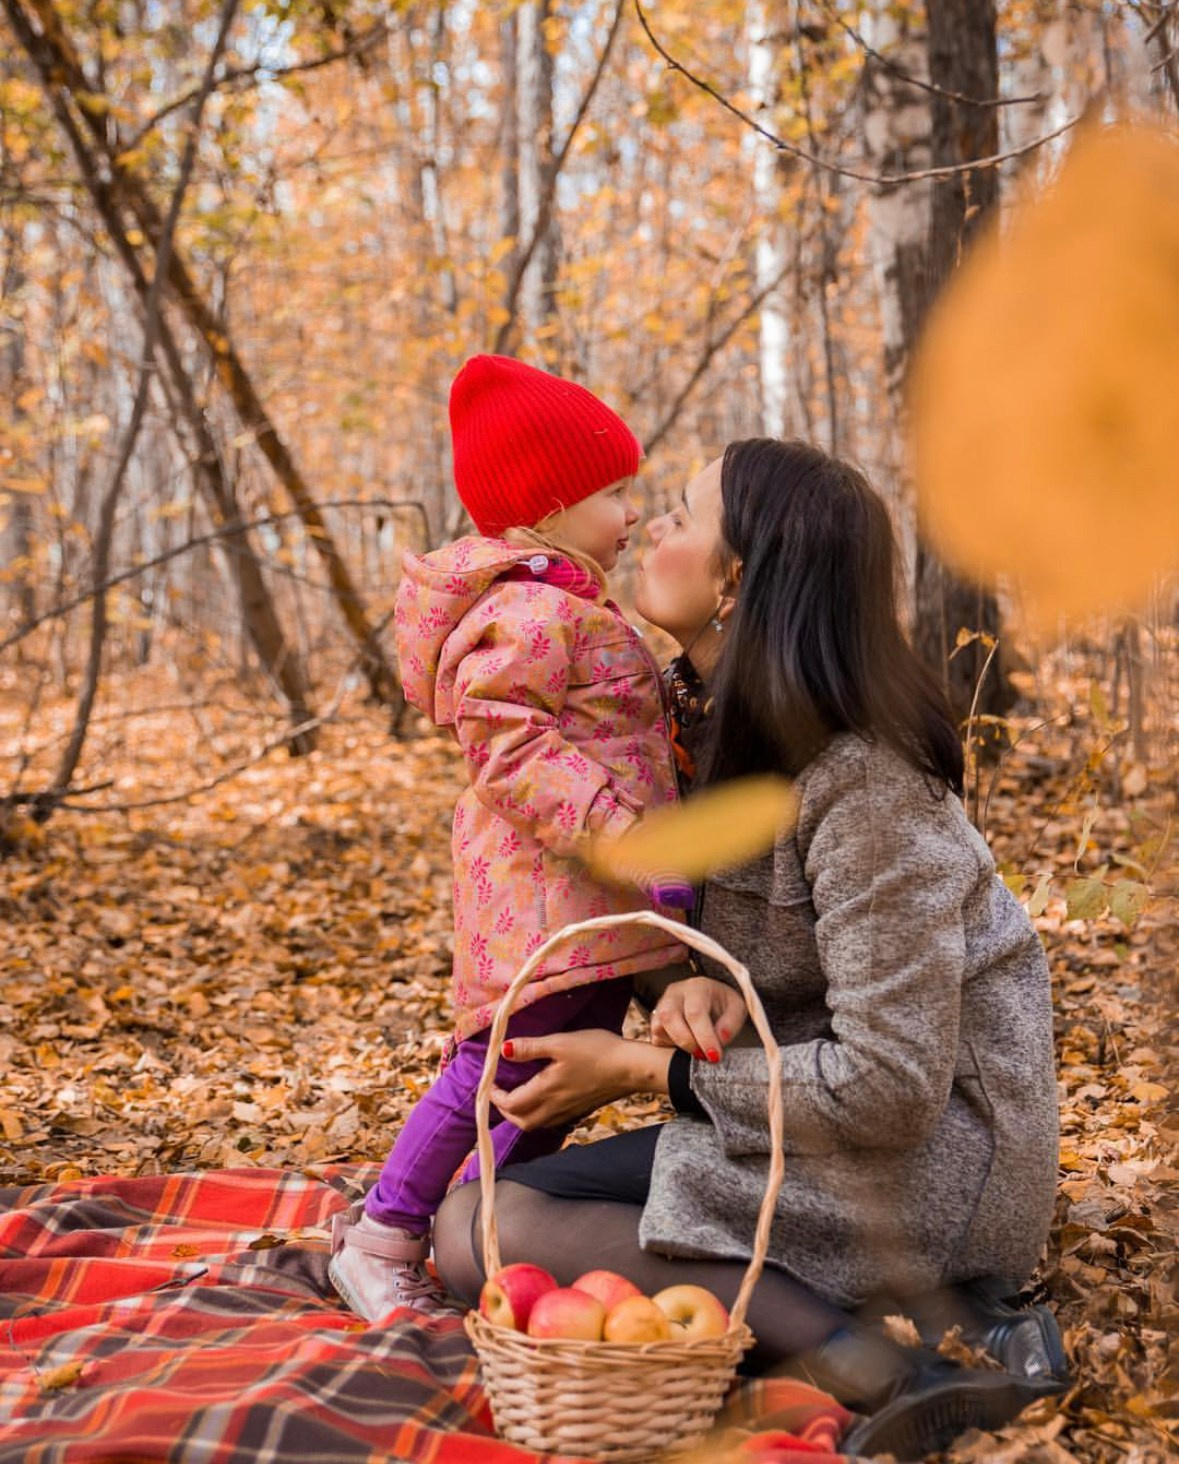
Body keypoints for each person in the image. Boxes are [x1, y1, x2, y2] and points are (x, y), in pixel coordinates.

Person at [431, 439, 1067, 1460]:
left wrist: (641, 1070)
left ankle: (907, 1366)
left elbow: (891, 1087)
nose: (649, 525)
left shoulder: (868, 784)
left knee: (496, 1233)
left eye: (681, 515)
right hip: (786, 1125)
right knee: (473, 1224)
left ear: (736, 579)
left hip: (927, 1163)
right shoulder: (682, 722)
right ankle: (923, 1323)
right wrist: (679, 986)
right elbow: (690, 926)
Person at [329, 356, 691, 1319]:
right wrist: (623, 832)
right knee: (499, 1067)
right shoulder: (527, 610)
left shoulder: (567, 600)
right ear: (550, 505)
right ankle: (383, 1235)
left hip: (587, 898)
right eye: (613, 493)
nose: (631, 513)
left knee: (546, 1078)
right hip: (544, 894)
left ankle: (470, 1220)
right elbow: (507, 746)